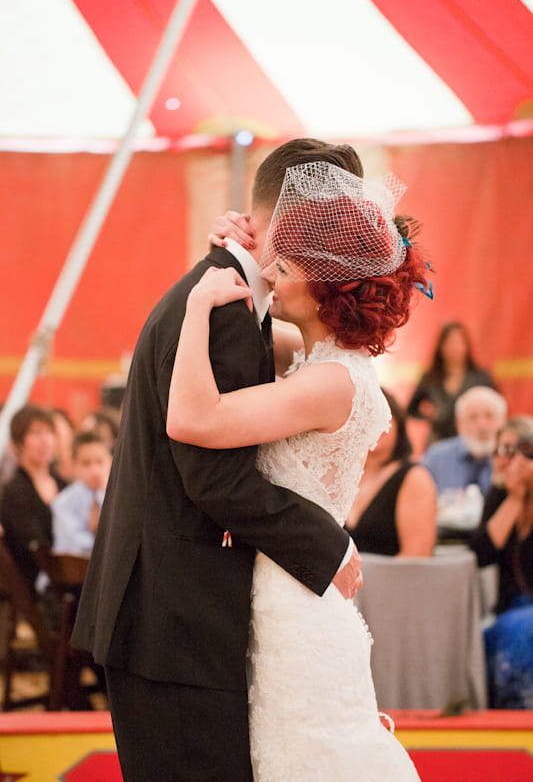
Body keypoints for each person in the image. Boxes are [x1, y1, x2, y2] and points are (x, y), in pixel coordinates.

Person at [71, 139, 367, 782]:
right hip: (175, 620)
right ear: (295, 224)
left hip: (177, 613)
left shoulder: (236, 300)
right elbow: (213, 477)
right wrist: (329, 543)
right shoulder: (225, 311)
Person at [167, 160, 429, 779]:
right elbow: (261, 319)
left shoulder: (333, 382)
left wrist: (197, 306)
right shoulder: (319, 361)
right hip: (282, 590)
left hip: (295, 608)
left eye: (286, 266)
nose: (271, 275)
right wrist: (232, 245)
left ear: (326, 284)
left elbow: (191, 419)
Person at [469, 417, 533, 709]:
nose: (506, 461)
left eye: (515, 450)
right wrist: (515, 498)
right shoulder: (498, 495)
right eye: (500, 451)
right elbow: (481, 554)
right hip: (508, 609)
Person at [346, 388, 437, 556]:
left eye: (382, 418)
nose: (374, 425)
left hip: (394, 581)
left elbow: (417, 557)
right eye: (365, 418)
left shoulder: (414, 478)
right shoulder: (338, 477)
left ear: (398, 423)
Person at [421, 385, 507, 541]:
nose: (482, 425)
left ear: (503, 421)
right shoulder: (436, 457)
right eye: (472, 417)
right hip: (443, 546)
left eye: (489, 416)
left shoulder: (514, 460)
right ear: (459, 423)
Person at [0, 404, 65, 593]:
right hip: (39, 582)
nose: (45, 441)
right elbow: (36, 547)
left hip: (69, 571)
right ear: (19, 443)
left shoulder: (63, 484)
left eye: (49, 432)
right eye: (36, 433)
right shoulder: (15, 490)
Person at [407, 320, 497, 446]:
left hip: (472, 440)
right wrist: (429, 414)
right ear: (441, 346)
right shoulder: (430, 378)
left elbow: (498, 404)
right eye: (450, 343)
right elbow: (411, 409)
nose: (455, 348)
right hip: (439, 439)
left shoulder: (480, 377)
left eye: (459, 342)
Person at [52, 431, 112, 556]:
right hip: (73, 569)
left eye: (100, 462)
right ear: (74, 465)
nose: (94, 470)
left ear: (111, 461)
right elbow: (78, 545)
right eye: (86, 463)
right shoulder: (63, 502)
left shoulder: (118, 498)